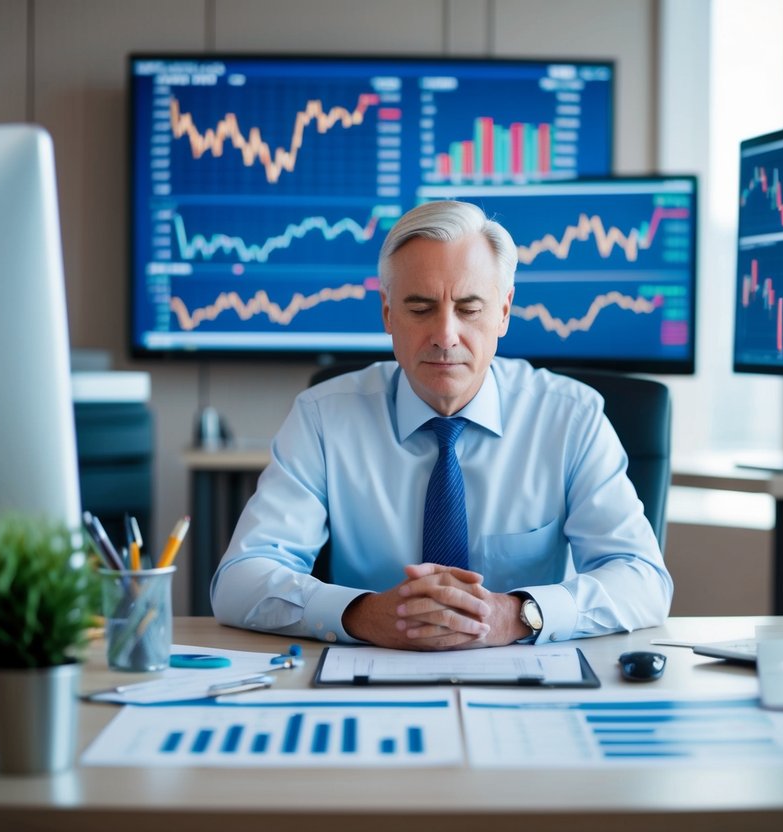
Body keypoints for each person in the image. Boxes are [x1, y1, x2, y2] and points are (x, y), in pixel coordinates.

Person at [211, 200, 672, 650]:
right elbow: (240, 579)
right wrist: (362, 614)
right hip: (373, 672)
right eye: (420, 308)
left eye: (470, 308)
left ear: (504, 312)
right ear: (388, 314)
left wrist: (516, 615)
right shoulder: (323, 417)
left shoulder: (571, 417)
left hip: (528, 676)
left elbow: (643, 579)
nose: (446, 335)